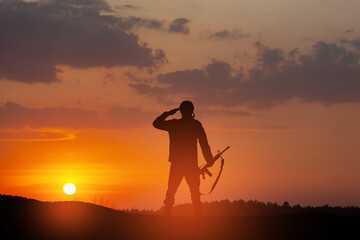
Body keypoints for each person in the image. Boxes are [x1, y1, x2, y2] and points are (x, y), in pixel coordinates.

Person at [153, 100, 214, 216]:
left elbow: (156, 123)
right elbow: (204, 144)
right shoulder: (195, 125)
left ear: (181, 111)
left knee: (172, 191)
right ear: (192, 111)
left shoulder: (175, 125)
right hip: (191, 164)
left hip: (178, 164)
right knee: (194, 192)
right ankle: (198, 216)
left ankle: (167, 215)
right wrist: (209, 159)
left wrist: (169, 113)